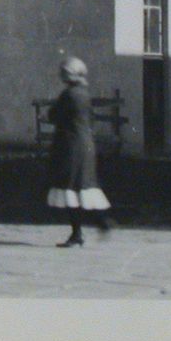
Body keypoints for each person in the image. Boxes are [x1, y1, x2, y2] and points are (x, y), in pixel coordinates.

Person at [45, 56, 112, 247]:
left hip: (70, 146)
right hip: (85, 144)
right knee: (83, 187)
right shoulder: (84, 94)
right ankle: (99, 222)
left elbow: (54, 115)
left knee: (70, 188)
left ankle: (80, 232)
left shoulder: (69, 94)